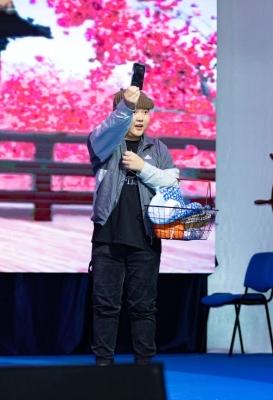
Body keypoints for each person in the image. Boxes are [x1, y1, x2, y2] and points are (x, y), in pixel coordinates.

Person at [87, 86, 179, 366]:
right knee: (105, 306)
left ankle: (144, 367)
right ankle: (103, 365)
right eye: (134, 111)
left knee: (144, 307)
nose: (140, 118)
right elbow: (106, 131)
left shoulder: (158, 149)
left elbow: (172, 184)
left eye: (145, 112)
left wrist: (143, 168)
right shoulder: (104, 144)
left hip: (146, 239)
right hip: (107, 239)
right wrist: (124, 107)